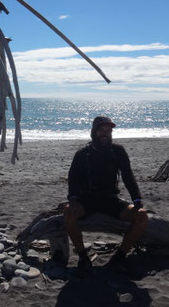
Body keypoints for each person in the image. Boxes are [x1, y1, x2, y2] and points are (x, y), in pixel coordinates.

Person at [63, 116, 148, 276]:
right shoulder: (82, 154)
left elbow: (128, 177)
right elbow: (72, 180)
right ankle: (83, 257)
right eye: (101, 130)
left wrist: (138, 203)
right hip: (86, 201)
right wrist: (73, 201)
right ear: (93, 132)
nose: (105, 133)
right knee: (68, 214)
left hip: (111, 201)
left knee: (142, 218)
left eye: (108, 131)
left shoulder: (118, 151)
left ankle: (120, 256)